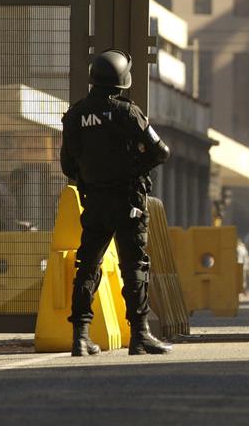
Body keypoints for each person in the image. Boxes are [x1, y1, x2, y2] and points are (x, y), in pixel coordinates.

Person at [60, 49, 172, 357]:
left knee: (87, 265)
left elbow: (68, 166)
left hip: (95, 202)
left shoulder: (75, 115)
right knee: (134, 266)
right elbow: (161, 152)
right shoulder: (128, 112)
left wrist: (93, 175)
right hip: (128, 201)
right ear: (123, 79)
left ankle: (80, 337)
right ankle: (140, 335)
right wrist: (134, 168)